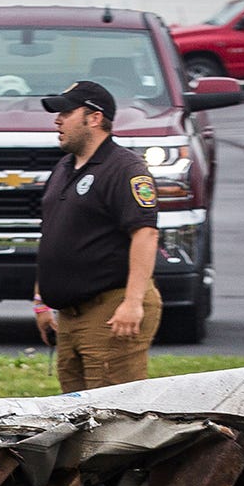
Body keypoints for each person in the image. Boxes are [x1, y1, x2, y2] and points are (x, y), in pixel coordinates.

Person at [31, 80, 161, 393]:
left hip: (110, 308)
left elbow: (145, 233)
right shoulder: (64, 167)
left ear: (94, 118)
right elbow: (52, 237)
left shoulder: (125, 168)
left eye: (66, 112)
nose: (57, 120)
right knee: (74, 411)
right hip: (70, 316)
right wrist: (41, 302)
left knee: (112, 413)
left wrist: (132, 303)